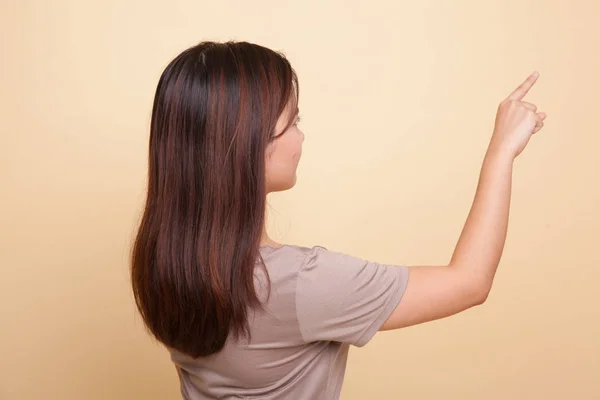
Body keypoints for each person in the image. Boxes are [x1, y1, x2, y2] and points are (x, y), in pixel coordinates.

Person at [130, 41, 546, 399]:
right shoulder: (299, 285)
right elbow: (469, 282)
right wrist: (502, 150)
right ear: (247, 149)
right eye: (291, 122)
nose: (301, 135)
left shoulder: (161, 263)